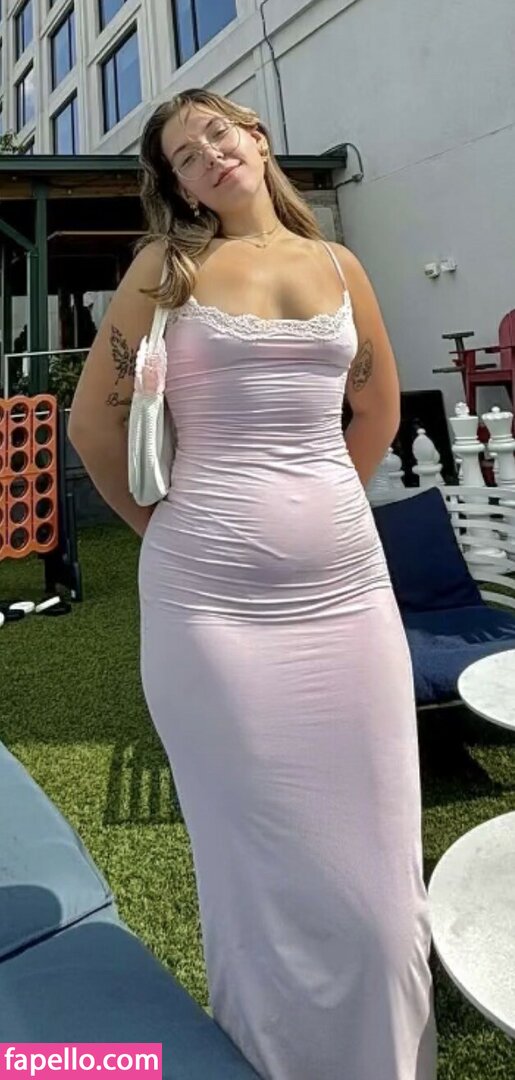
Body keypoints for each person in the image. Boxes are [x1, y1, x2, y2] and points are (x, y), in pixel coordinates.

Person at [69, 89, 436, 1080]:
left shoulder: (338, 265)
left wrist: (319, 514)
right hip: (211, 618)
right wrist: (174, 535)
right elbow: (94, 427)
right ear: (180, 186)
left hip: (347, 604)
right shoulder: (167, 269)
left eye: (216, 134)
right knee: (257, 872)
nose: (209, 157)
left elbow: (373, 409)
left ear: (256, 138)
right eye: (185, 157)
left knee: (380, 885)